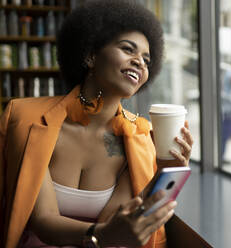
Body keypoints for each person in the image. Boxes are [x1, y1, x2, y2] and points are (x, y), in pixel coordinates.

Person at [0, 1, 194, 247]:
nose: (140, 62)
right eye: (128, 49)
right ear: (91, 56)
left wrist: (166, 172)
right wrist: (102, 235)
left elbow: (119, 223)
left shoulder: (140, 138)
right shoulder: (25, 117)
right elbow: (43, 220)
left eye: (147, 59)